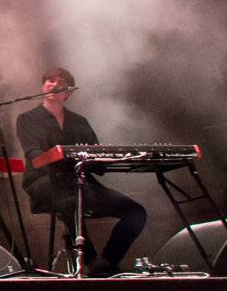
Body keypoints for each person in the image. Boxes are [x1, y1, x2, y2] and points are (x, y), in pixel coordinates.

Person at [16, 68, 148, 276]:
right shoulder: (28, 119)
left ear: (68, 93)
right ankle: (90, 260)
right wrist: (64, 156)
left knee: (137, 212)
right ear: (43, 86)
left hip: (82, 184)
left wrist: (111, 156)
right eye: (49, 81)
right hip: (43, 183)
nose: (53, 85)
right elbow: (35, 156)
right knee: (68, 196)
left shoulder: (79, 122)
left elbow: (97, 162)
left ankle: (106, 262)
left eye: (59, 83)